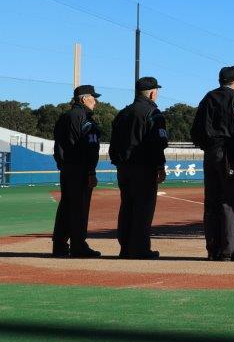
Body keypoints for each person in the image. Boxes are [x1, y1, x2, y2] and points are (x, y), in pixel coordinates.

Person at [191, 65, 234, 262]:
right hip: (231, 155)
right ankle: (230, 249)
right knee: (229, 202)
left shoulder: (208, 98)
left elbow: (196, 131)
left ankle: (213, 249)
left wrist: (208, 147)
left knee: (211, 202)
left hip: (211, 154)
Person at [109, 77, 168, 259]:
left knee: (127, 206)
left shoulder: (123, 113)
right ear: (151, 93)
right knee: (143, 208)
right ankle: (140, 248)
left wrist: (119, 162)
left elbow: (114, 143)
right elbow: (158, 143)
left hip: (123, 167)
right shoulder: (153, 113)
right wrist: (160, 166)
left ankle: (125, 248)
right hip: (144, 167)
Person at [52, 84, 103, 258]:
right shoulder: (84, 117)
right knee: (79, 208)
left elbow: (58, 145)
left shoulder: (64, 117)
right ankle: (78, 245)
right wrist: (91, 172)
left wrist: (62, 164)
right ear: (84, 99)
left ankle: (59, 245)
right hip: (81, 170)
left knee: (66, 206)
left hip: (66, 169)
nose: (95, 101)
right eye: (93, 98)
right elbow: (90, 148)